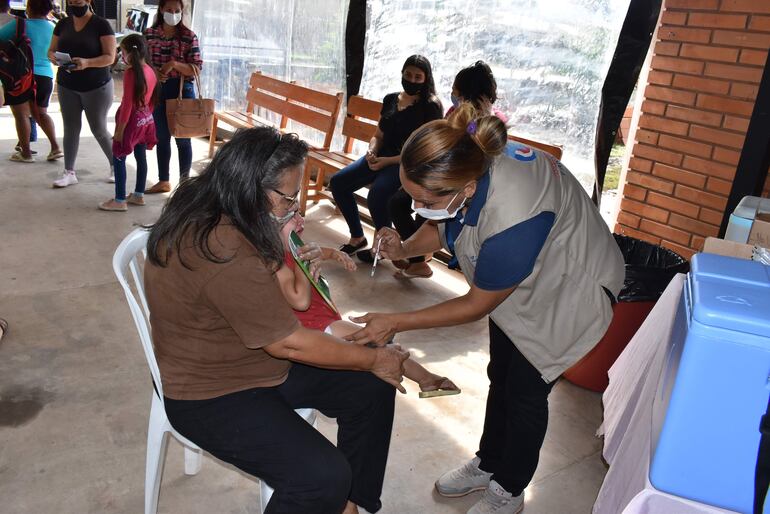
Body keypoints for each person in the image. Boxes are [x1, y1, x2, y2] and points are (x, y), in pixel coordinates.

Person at [345, 104, 625, 514]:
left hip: (570, 287)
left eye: (424, 199)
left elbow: (476, 304)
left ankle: (509, 489)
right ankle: (489, 461)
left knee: (526, 391)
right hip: (528, 275)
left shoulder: (515, 215)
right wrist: (403, 248)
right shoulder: (465, 166)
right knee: (502, 374)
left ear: (467, 189)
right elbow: (443, 222)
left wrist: (395, 321)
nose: (417, 206)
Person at [144, 126, 410, 514]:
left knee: (371, 387)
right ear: (253, 187)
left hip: (249, 360)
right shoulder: (222, 247)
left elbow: (289, 308)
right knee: (321, 477)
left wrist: (372, 361)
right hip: (209, 392)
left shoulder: (220, 204)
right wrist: (374, 356)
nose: (294, 205)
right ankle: (336, 499)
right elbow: (288, 341)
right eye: (288, 197)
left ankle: (350, 507)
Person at [276, 213, 459, 397]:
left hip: (325, 316)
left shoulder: (293, 249)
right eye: (290, 217)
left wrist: (334, 253)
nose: (300, 219)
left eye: (299, 213)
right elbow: (299, 300)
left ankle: (426, 379)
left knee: (385, 344)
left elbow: (318, 251)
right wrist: (302, 265)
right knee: (380, 346)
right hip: (317, 325)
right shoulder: (275, 262)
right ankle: (427, 379)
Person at [388, 60, 508, 279]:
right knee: (403, 203)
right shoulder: (456, 114)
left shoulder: (487, 127)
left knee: (416, 209)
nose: (452, 93)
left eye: (455, 90)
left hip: (447, 182)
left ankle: (419, 259)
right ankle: (416, 258)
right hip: (439, 179)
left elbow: (475, 305)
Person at [329, 54, 442, 262]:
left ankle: (381, 248)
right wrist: (371, 151)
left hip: (405, 163)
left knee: (378, 194)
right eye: (408, 74)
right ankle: (357, 237)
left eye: (418, 77)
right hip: (379, 157)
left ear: (426, 79)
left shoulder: (431, 106)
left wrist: (387, 161)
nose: (412, 80)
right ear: (401, 74)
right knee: (338, 183)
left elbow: (424, 150)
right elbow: (378, 135)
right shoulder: (391, 99)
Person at [48, 0, 116, 188]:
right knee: (70, 128)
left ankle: (116, 166)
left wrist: (87, 63)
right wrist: (53, 57)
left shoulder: (101, 24)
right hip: (67, 84)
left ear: (88, 1)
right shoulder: (62, 24)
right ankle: (69, 172)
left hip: (96, 86)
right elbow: (51, 50)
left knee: (99, 129)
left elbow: (110, 57)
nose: (75, 1)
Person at [143, 0, 202, 194]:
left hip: (182, 90)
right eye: (169, 10)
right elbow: (142, 62)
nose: (173, 14)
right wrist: (154, 72)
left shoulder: (189, 37)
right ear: (161, 10)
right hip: (158, 89)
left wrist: (174, 64)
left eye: (177, 11)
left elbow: (196, 69)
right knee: (161, 136)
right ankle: (164, 180)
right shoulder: (149, 34)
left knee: (183, 138)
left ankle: (185, 183)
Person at [99, 34, 157, 212]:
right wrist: (146, 118)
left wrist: (120, 131)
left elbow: (126, 105)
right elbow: (153, 99)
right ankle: (138, 194)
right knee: (141, 156)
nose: (121, 55)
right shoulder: (150, 70)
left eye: (122, 51)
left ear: (130, 53)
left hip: (131, 122)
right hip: (146, 119)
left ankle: (119, 200)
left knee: (118, 156)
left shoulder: (131, 73)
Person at [0, 0, 62, 163]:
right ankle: (55, 147)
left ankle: (26, 153)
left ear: (28, 8)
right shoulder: (54, 27)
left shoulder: (20, 25)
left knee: (21, 115)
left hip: (22, 75)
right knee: (41, 114)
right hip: (46, 76)